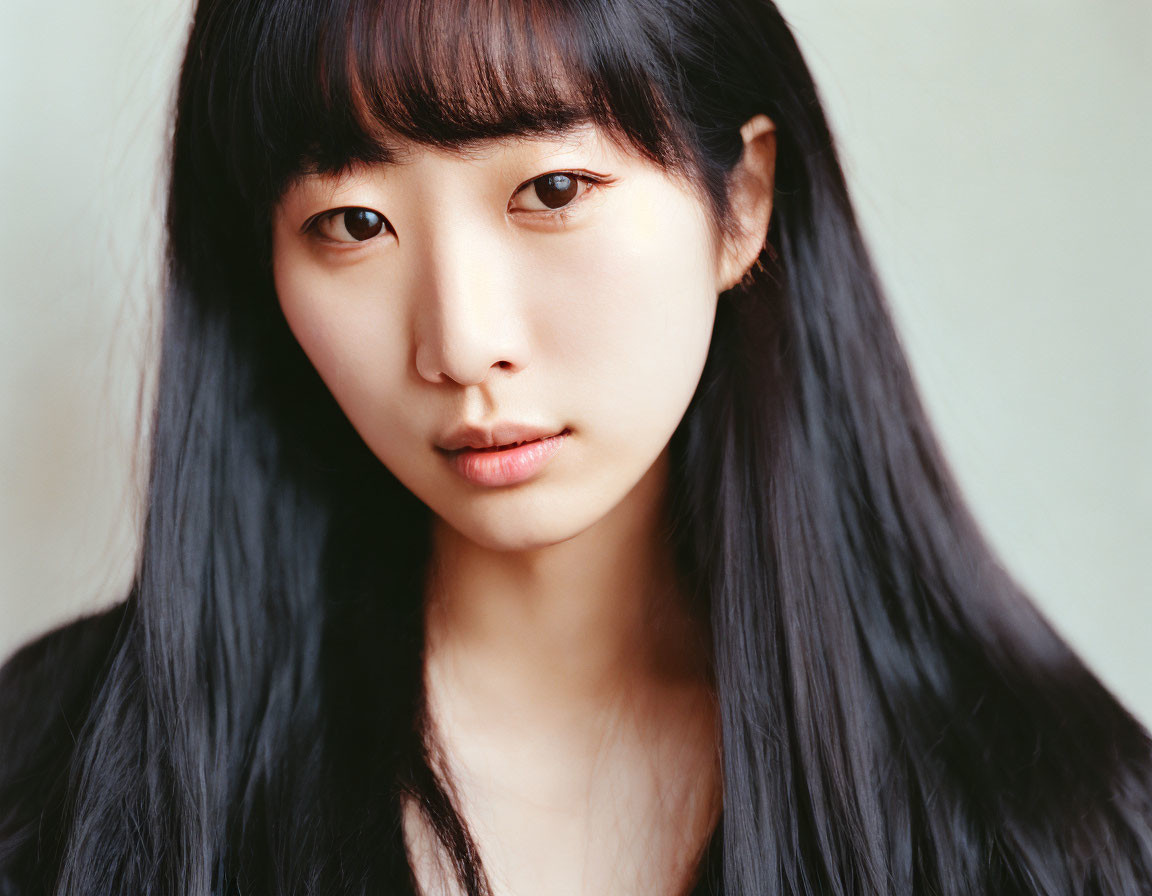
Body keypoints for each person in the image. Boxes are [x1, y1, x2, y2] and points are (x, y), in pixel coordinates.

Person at [1, 0, 1150, 893]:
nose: (462, 342)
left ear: (739, 200)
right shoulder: (59, 775)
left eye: (552, 189)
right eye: (354, 223)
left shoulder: (1050, 818)